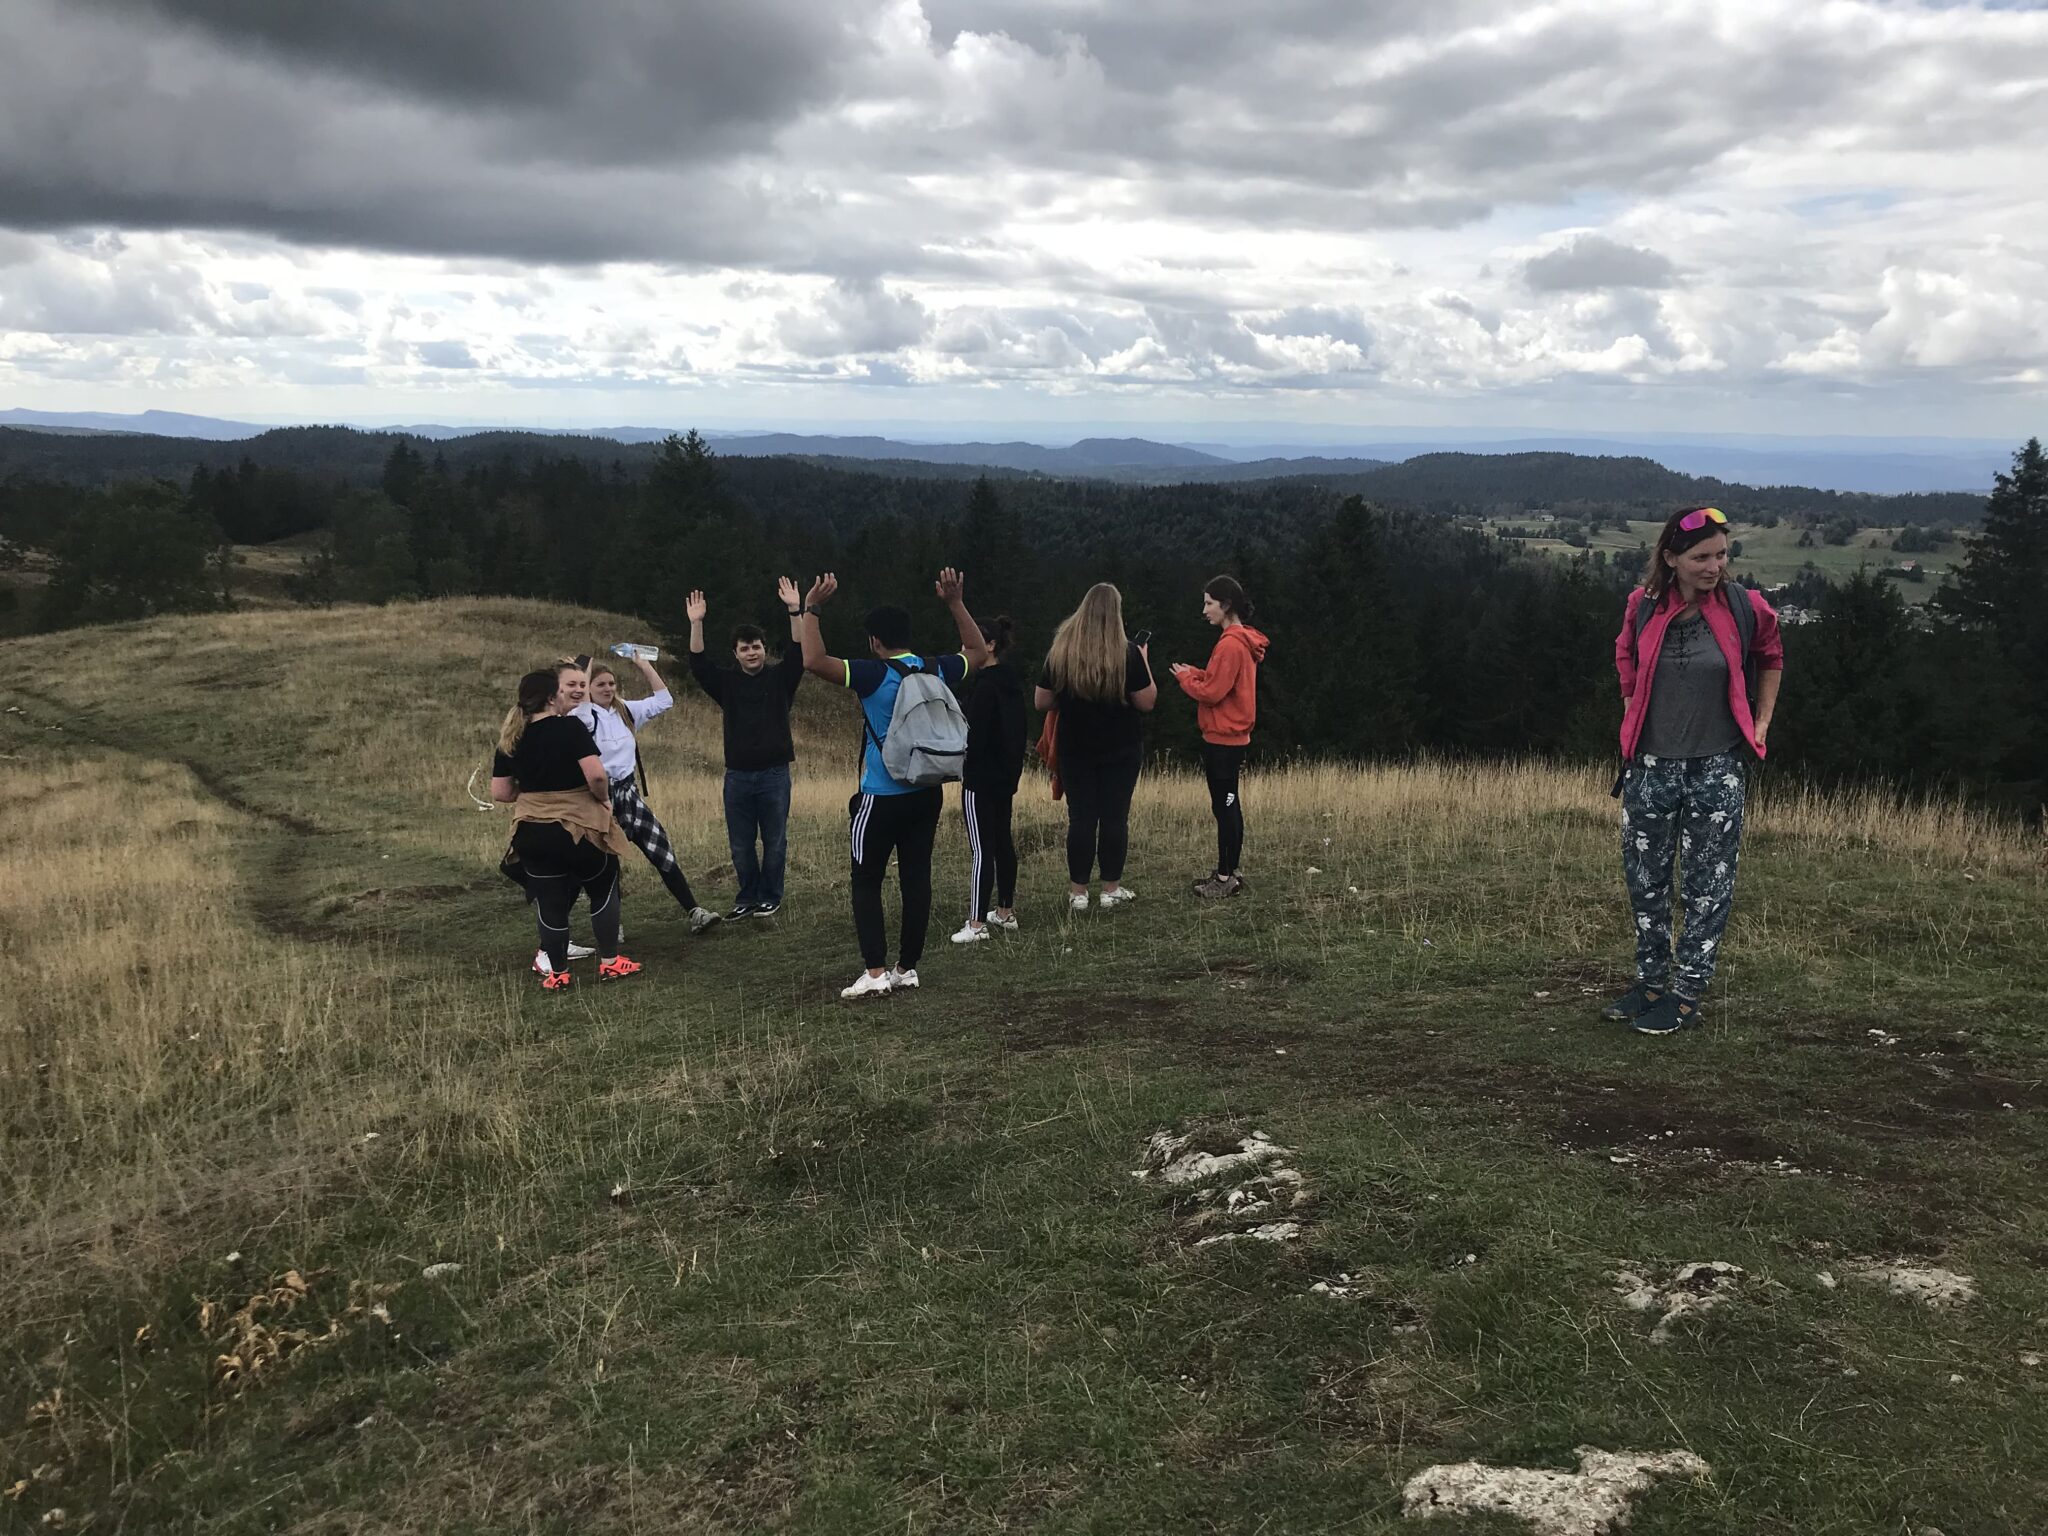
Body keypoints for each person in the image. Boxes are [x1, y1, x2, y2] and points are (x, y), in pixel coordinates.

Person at [1607, 506, 1783, 1035]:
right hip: (1651, 766)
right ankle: (1651, 982)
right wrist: (1631, 720)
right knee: (1647, 882)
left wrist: (1762, 723)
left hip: (1716, 765)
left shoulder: (1742, 605)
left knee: (1708, 883)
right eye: (1702, 556)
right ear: (1671, 558)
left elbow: (1771, 654)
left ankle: (1686, 993)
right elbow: (1626, 664)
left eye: (1721, 554)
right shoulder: (1642, 606)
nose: (1715, 566)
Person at [798, 568, 989, 999]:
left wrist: (812, 608)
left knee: (866, 881)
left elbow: (813, 660)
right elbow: (976, 651)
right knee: (916, 879)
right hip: (927, 793)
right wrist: (956, 603)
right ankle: (907, 968)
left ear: (874, 641)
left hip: (880, 797)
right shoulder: (934, 668)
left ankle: (876, 971)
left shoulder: (870, 674)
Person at [491, 664, 641, 990]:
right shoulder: (570, 727)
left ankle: (558, 973)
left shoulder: (510, 737)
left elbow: (500, 792)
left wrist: (535, 793)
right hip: (580, 827)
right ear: (550, 697)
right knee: (602, 886)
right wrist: (602, 800)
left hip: (532, 832)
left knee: (550, 900)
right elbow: (597, 775)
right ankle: (611, 963)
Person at [574, 653, 725, 936]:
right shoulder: (582, 716)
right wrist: (586, 666)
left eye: (612, 683)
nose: (608, 689)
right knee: (607, 864)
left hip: (628, 795)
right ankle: (611, 926)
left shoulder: (625, 711)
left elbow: (664, 700)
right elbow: (580, 702)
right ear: (589, 689)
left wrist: (644, 666)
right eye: (600, 684)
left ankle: (695, 911)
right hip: (599, 799)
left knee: (660, 849)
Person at [687, 582, 808, 919]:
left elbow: (800, 651)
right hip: (737, 776)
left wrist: (794, 611)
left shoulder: (781, 679)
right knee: (740, 846)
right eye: (745, 648)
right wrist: (697, 623)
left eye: (756, 647)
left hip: (774, 774)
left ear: (765, 650)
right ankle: (746, 898)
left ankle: (771, 896)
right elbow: (698, 665)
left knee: (774, 842)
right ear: (736, 653)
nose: (751, 652)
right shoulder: (726, 683)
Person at [1035, 582, 1157, 911]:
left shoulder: (1062, 650)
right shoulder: (1127, 651)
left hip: (1076, 747)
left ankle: (1078, 892)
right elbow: (1146, 702)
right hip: (1121, 747)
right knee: (1115, 817)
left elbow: (1041, 700)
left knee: (1081, 819)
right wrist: (1144, 662)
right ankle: (1110, 888)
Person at [1169, 576, 1270, 899]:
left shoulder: (1229, 644)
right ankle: (1231, 869)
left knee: (1224, 806)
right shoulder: (1241, 641)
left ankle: (1225, 877)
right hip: (1233, 737)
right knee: (1230, 804)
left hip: (1223, 740)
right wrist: (1197, 673)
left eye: (1209, 603)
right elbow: (1223, 682)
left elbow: (1213, 693)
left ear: (1226, 606)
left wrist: (1186, 679)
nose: (1205, 610)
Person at [951, 615, 1027, 944]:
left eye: (971, 643)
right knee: (1002, 842)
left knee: (982, 849)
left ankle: (977, 922)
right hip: (1006, 777)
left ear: (991, 646)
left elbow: (973, 736)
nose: (963, 649)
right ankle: (1005, 911)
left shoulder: (984, 687)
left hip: (980, 779)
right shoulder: (1011, 684)